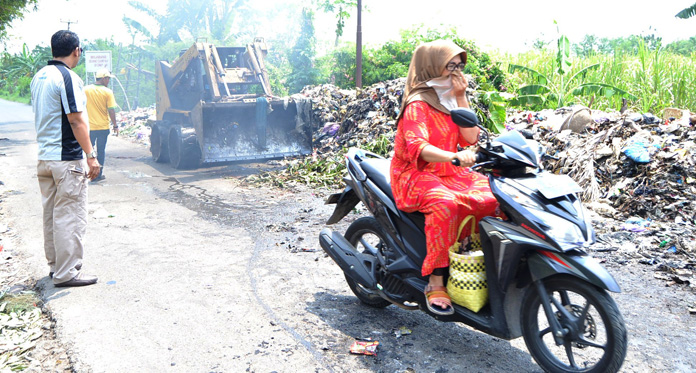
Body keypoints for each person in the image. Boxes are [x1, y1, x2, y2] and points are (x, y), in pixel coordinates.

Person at [390, 40, 504, 315]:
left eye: (459, 66)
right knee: (446, 205)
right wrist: (453, 157)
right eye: (448, 66)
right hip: (415, 172)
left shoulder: (451, 99)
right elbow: (419, 148)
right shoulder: (417, 104)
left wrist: (461, 95)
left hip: (450, 170)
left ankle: (474, 262)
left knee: (495, 196)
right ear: (431, 68)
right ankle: (436, 280)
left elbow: (471, 138)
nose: (455, 73)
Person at [31, 30, 100, 287]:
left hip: (45, 158)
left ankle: (55, 267)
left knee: (51, 214)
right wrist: (90, 156)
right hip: (66, 160)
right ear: (76, 51)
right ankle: (67, 272)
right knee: (70, 215)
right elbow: (75, 118)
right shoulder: (68, 77)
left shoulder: (39, 77)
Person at [85, 68, 119, 182]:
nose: (108, 81)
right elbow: (111, 110)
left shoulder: (86, 89)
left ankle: (90, 172)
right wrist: (115, 125)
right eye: (108, 78)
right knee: (101, 151)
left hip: (89, 128)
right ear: (104, 78)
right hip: (103, 127)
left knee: (89, 151)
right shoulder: (107, 92)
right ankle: (98, 175)